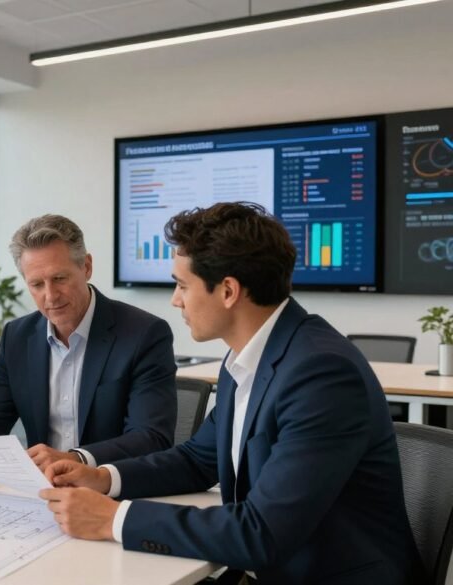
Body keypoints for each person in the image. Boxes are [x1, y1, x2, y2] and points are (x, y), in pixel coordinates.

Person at [40, 203, 423, 584]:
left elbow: (263, 532)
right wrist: (103, 478)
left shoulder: (321, 374)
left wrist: (113, 519)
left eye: (182, 285)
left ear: (228, 291)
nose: (176, 300)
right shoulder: (247, 355)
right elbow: (198, 459)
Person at [0, 214, 177, 485]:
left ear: (86, 267)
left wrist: (78, 458)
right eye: (37, 284)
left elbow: (151, 437)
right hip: (42, 492)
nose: (50, 296)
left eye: (59, 278)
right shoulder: (18, 336)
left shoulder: (144, 333)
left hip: (111, 491)